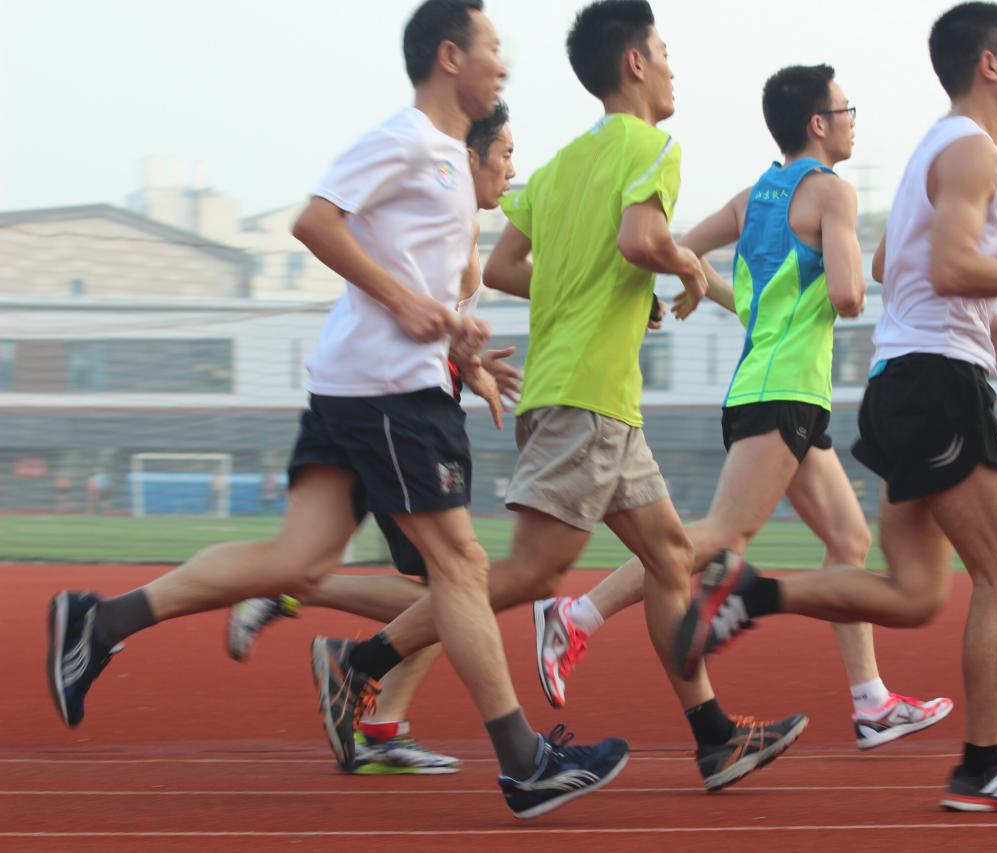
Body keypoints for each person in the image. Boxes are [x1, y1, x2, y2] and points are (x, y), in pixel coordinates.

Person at [47, 0, 628, 821]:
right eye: (494, 47)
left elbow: (414, 283)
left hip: (367, 384)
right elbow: (313, 222)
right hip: (388, 394)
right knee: (460, 568)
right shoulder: (405, 140)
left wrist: (460, 346)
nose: (505, 61)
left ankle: (99, 620)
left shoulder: (444, 170)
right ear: (450, 56)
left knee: (297, 557)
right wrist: (410, 307)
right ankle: (525, 760)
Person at [317, 0, 806, 795]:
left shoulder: (559, 167)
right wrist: (681, 268)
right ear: (635, 64)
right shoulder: (655, 146)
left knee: (670, 555)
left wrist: (595, 296)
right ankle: (359, 662)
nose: (675, 67)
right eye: (666, 51)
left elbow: (508, 265)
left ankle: (715, 738)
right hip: (585, 397)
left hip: (594, 396)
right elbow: (639, 241)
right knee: (525, 574)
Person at [672, 2, 997, 812]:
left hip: (903, 379)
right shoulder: (971, 149)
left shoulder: (931, 151)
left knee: (914, 591)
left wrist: (986, 312)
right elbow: (943, 265)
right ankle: (982, 764)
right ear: (989, 66)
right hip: (941, 383)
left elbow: (888, 259)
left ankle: (752, 594)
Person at [532, 63, 952, 751]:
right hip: (780, 391)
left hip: (779, 392)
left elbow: (685, 251)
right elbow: (847, 296)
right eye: (847, 109)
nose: (853, 120)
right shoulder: (833, 194)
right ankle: (577, 614)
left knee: (848, 540)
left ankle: (871, 700)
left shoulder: (755, 195)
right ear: (818, 124)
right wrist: (870, 260)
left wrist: (699, 284)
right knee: (720, 535)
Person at [226, 101, 521, 777]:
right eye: (503, 153)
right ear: (467, 157)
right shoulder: (430, 206)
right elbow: (396, 303)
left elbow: (442, 325)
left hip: (410, 408)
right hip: (391, 410)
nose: (511, 168)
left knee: (446, 587)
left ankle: (377, 717)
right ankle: (306, 595)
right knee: (456, 586)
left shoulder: (460, 232)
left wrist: (472, 366)